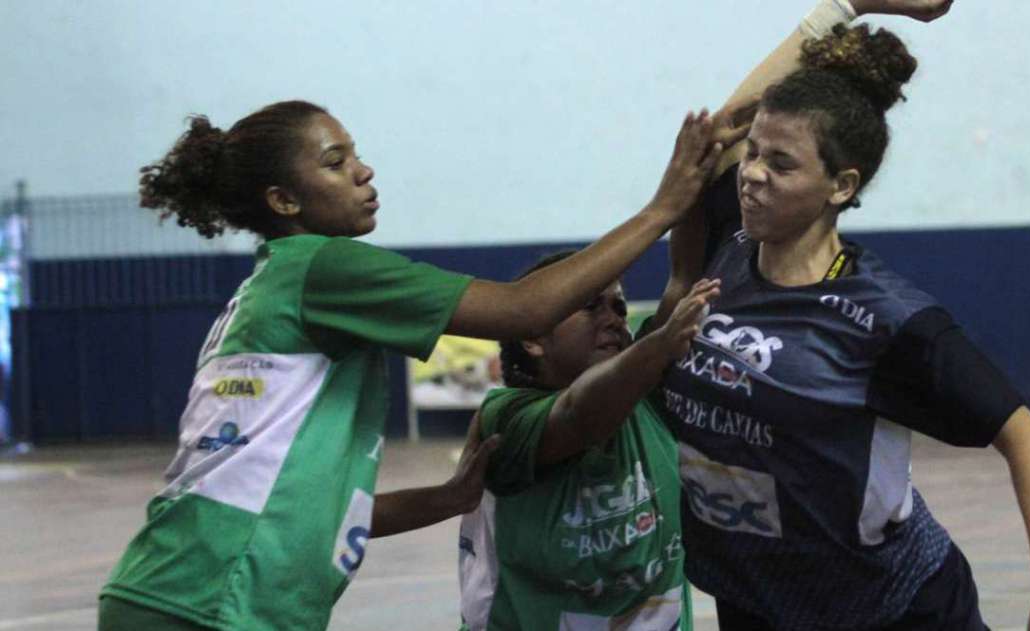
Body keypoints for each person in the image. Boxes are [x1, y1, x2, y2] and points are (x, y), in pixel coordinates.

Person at [97, 98, 748, 631]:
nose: (364, 171)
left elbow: (303, 508)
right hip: (214, 598)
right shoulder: (321, 266)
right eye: (335, 160)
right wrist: (662, 207)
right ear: (284, 201)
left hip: (183, 589)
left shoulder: (272, 291)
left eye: (355, 153)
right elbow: (524, 308)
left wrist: (444, 498)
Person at [658, 3, 1030, 630]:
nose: (751, 174)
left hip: (889, 607)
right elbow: (719, 132)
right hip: (755, 597)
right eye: (753, 154)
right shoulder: (728, 244)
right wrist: (845, 6)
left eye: (781, 164)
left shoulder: (887, 319)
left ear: (840, 186)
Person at [457, 250, 719, 630]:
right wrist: (660, 344)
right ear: (533, 337)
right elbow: (578, 416)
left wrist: (695, 197)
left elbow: (683, 276)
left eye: (619, 306)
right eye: (590, 306)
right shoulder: (504, 419)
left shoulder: (646, 395)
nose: (614, 318)